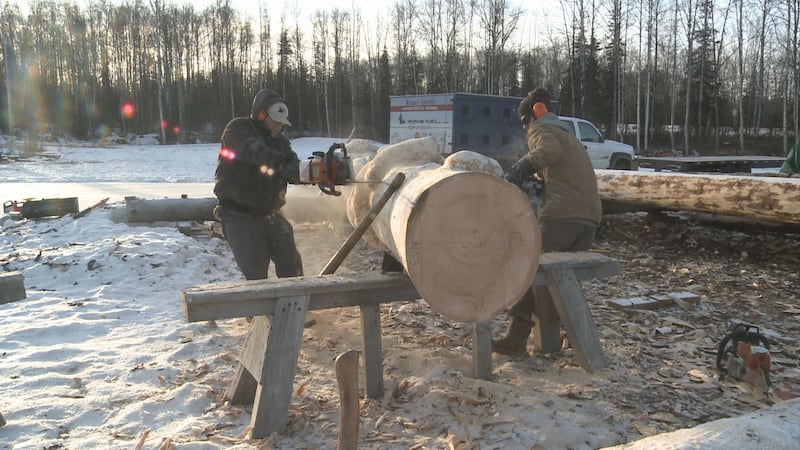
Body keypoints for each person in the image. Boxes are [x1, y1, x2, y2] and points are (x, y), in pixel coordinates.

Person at [493, 87, 603, 355]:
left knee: (526, 268)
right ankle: (568, 336)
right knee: (562, 279)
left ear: (534, 114)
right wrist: (540, 185)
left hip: (564, 216)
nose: (525, 128)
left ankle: (517, 337)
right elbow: (563, 175)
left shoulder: (542, 131)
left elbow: (546, 151)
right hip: (588, 219)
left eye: (524, 122)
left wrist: (519, 169)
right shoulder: (567, 134)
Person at [213, 88, 303, 280]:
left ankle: (295, 305)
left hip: (270, 213)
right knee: (256, 274)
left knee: (292, 267)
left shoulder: (281, 143)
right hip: (239, 215)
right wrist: (281, 163)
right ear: (261, 115)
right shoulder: (237, 129)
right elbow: (252, 151)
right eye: (275, 121)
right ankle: (260, 308)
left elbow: (293, 167)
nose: (279, 127)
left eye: (282, 124)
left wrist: (310, 172)